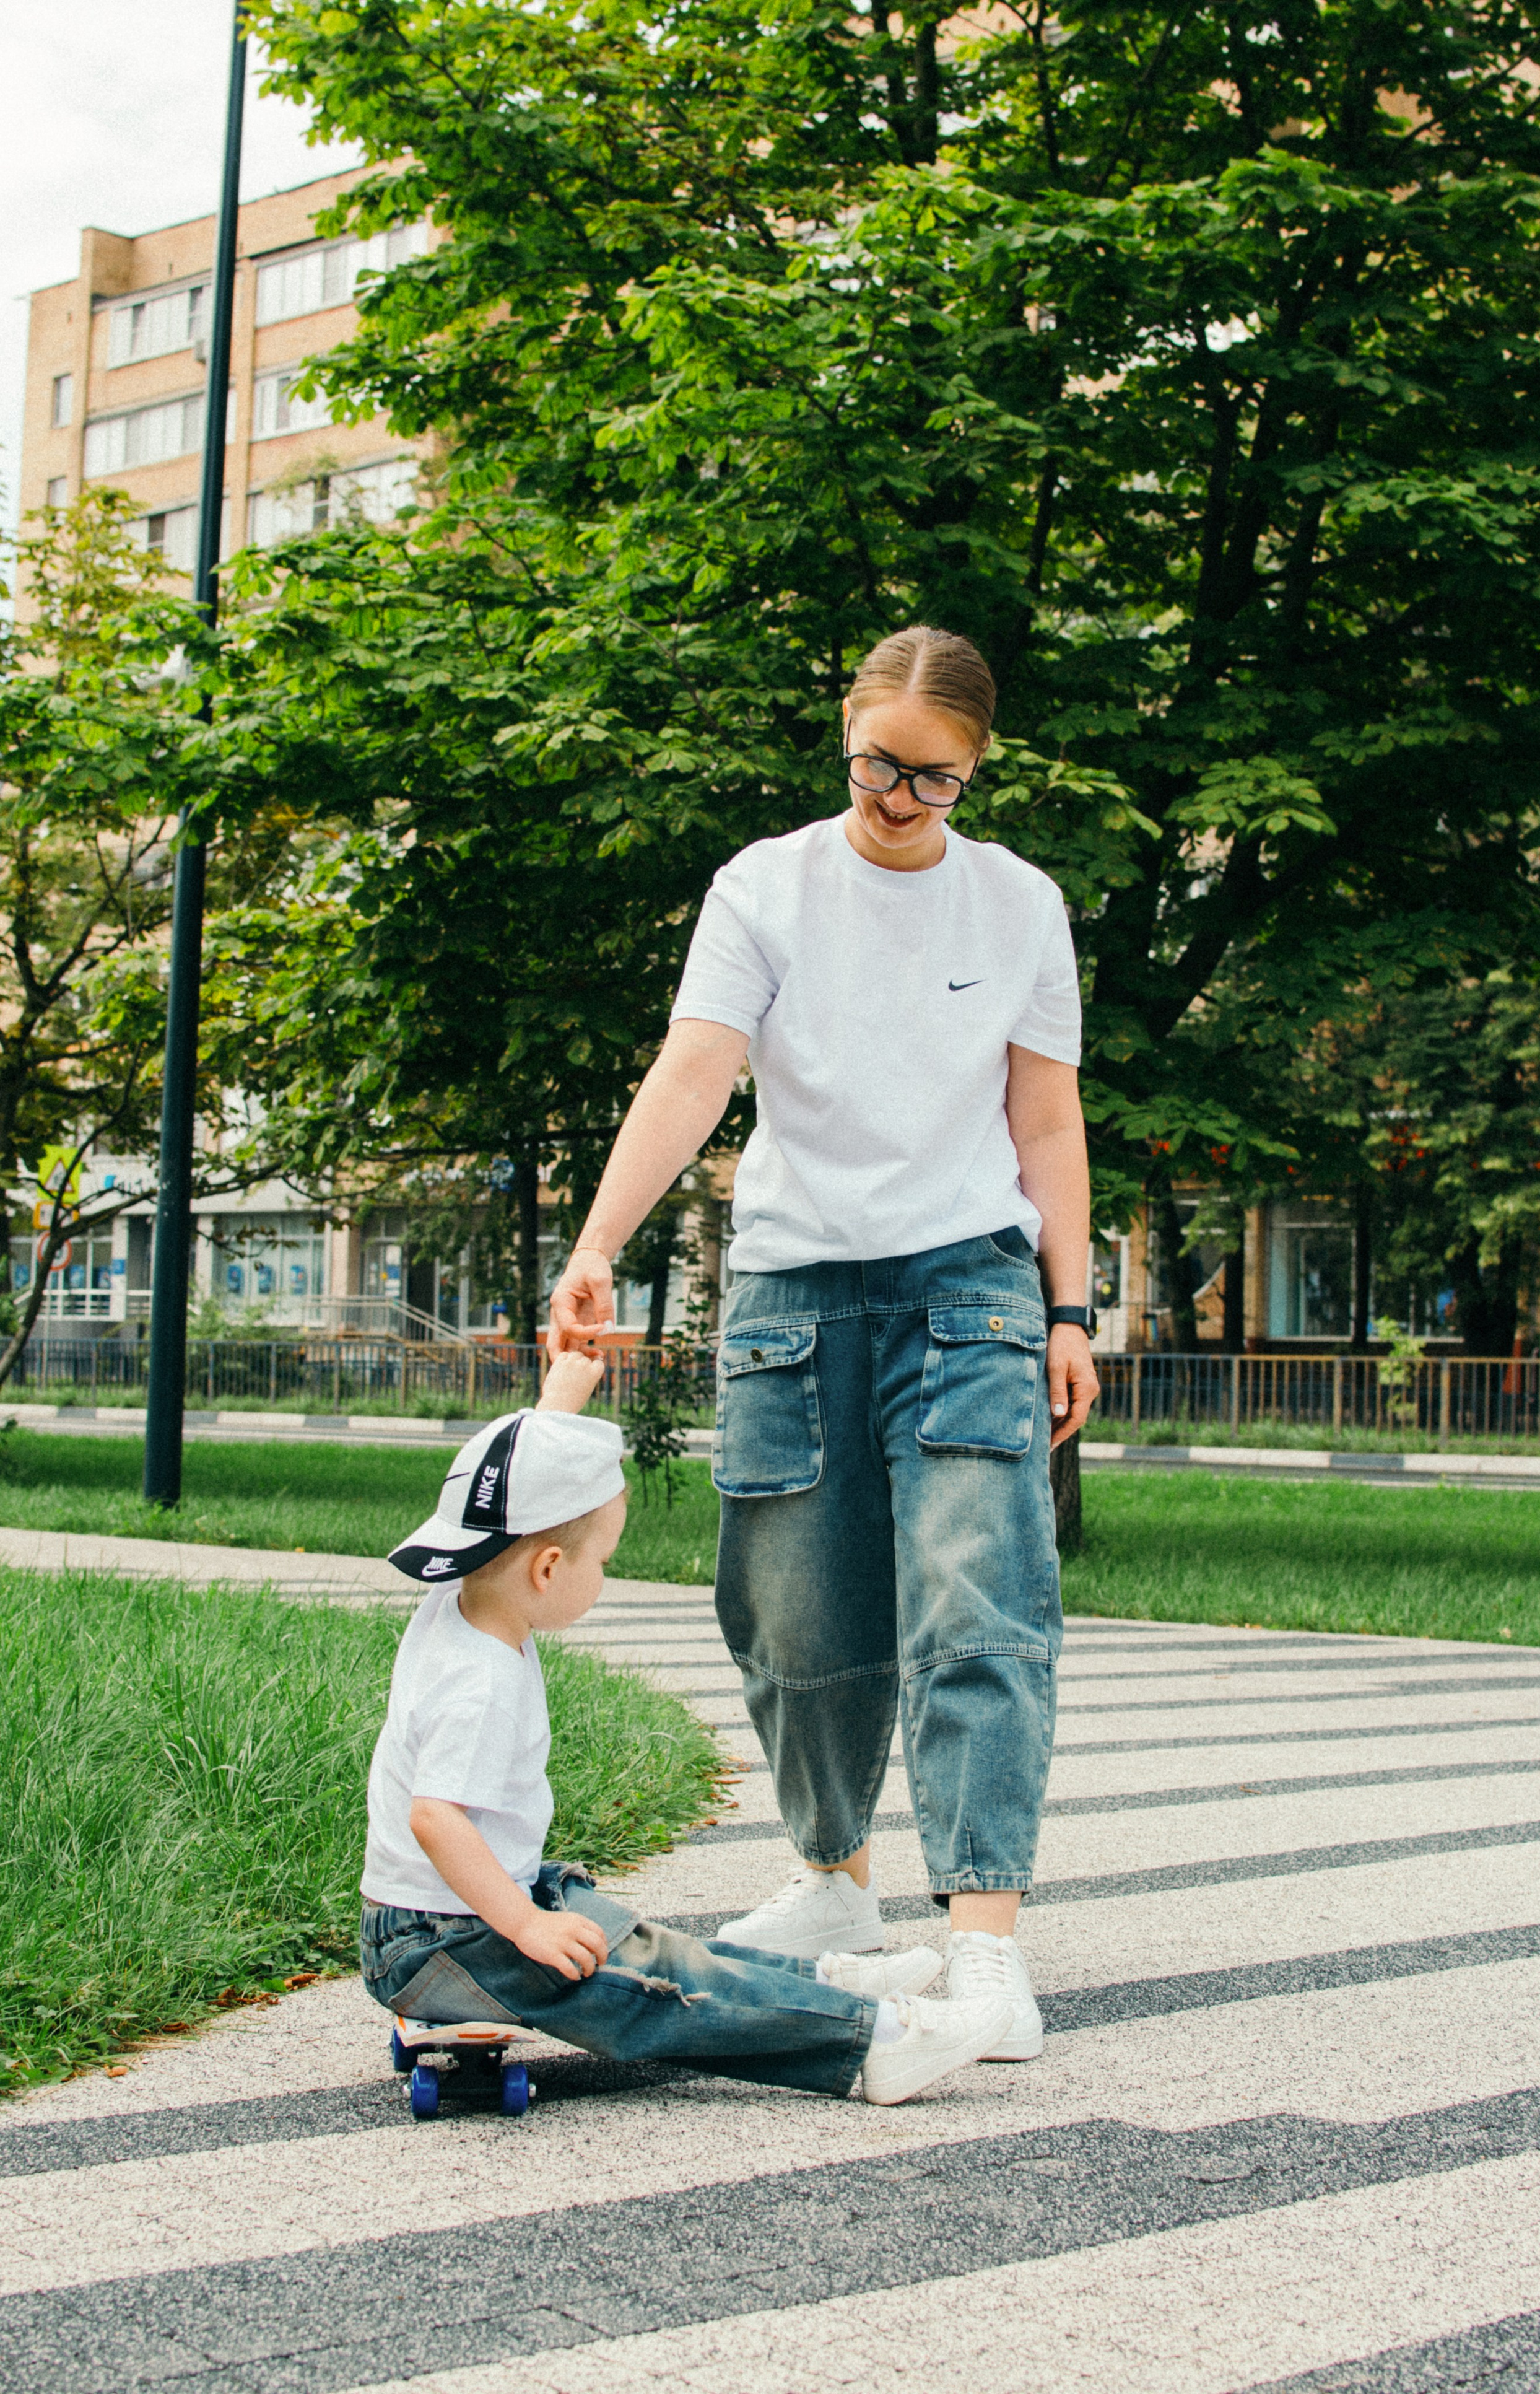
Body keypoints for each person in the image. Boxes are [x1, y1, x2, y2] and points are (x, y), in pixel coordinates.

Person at [549, 624, 1099, 2064]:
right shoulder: (766, 887)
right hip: (792, 1289)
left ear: (975, 768)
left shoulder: (1019, 905)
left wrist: (1068, 1305)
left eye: (935, 780)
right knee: (788, 1612)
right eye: (877, 765)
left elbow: (1044, 1120)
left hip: (969, 1286)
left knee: (977, 1600)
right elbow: (693, 1071)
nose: (898, 800)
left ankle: (982, 1945)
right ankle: (832, 1881)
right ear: (844, 731)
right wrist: (601, 1240)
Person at [359, 1350, 1016, 2105]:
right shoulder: (482, 1682)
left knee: (648, 1949)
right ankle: (874, 2044)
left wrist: (562, 1397)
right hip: (448, 1938)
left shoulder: (464, 1591)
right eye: (603, 1559)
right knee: (652, 1997)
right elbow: (435, 1817)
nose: (605, 1572)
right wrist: (524, 1928)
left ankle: (822, 1981)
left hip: (452, 1914)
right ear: (546, 1569)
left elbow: (515, 1479)